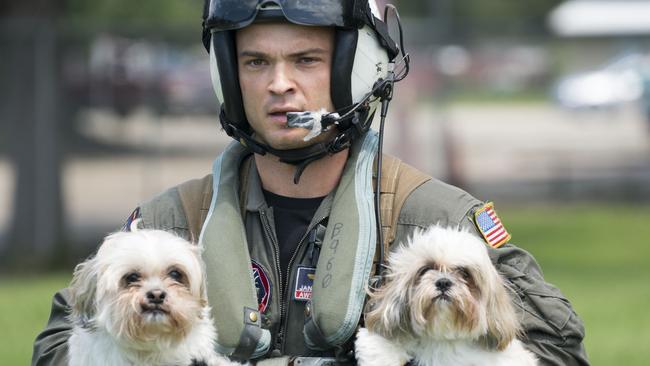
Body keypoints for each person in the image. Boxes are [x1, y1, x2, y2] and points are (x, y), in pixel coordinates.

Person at [32, 1, 589, 365]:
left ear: (355, 68)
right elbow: (57, 343)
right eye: (254, 63)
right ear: (229, 76)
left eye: (305, 60)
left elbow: (557, 344)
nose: (279, 85)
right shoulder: (169, 224)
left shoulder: (433, 219)